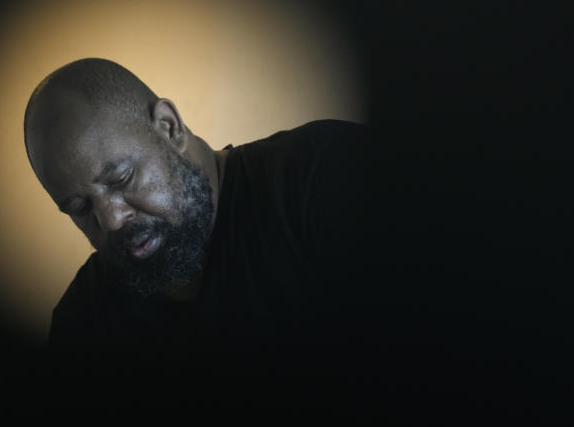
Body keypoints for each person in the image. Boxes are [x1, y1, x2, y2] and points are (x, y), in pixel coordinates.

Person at [24, 58, 380, 350]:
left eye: (120, 179)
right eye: (80, 207)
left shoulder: (325, 175)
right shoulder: (85, 320)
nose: (112, 221)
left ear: (169, 127)